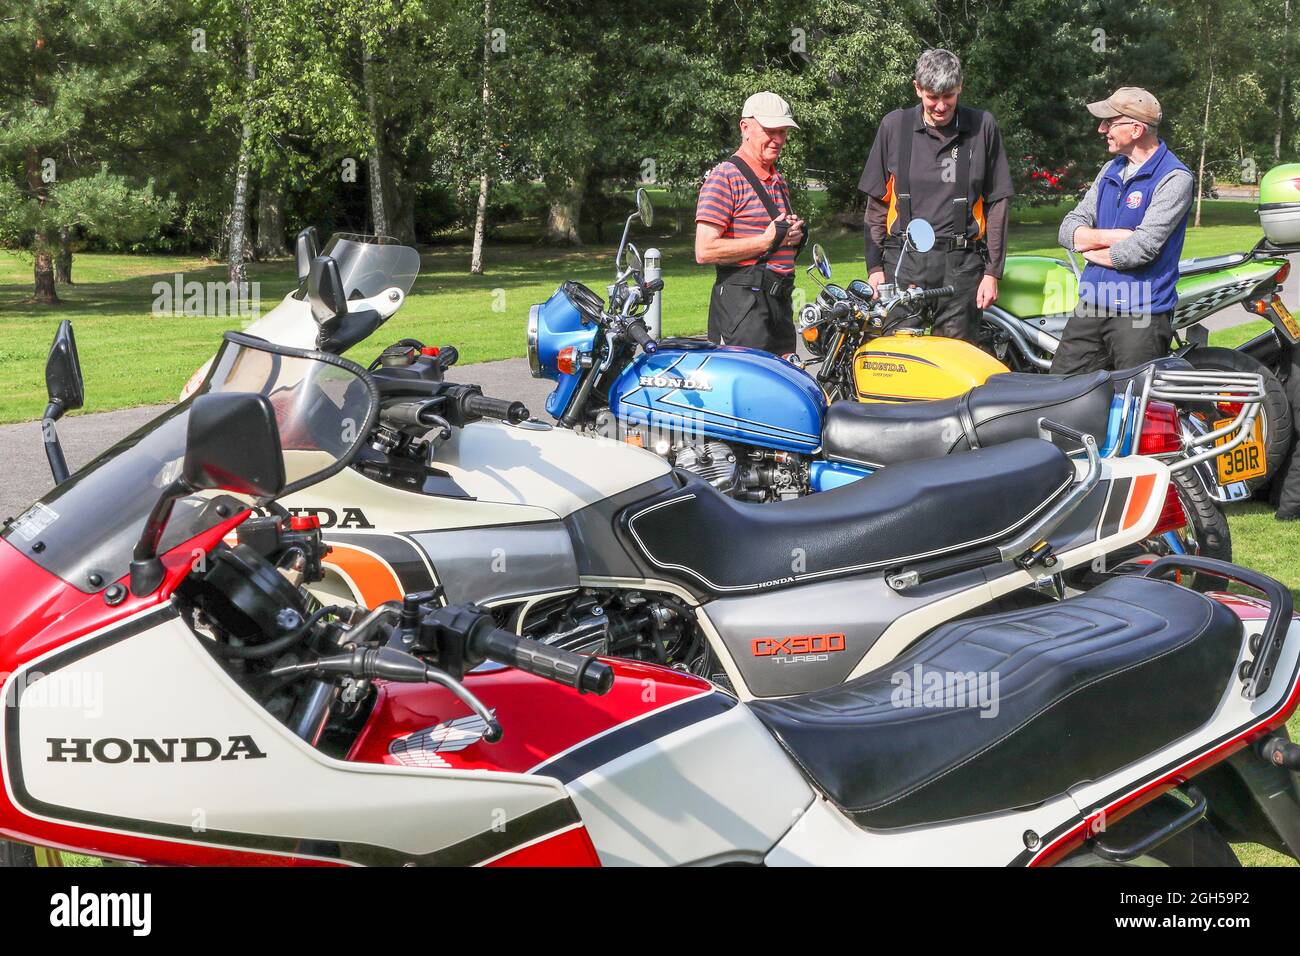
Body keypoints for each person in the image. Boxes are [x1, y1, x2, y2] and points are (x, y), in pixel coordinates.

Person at [859, 48, 1013, 343]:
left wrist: (993, 273)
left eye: (949, 97)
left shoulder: (982, 127)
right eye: (933, 97)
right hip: (904, 261)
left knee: (955, 361)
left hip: (961, 263)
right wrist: (875, 268)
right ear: (918, 88)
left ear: (960, 88)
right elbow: (876, 205)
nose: (941, 106)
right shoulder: (894, 126)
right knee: (900, 356)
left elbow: (998, 203)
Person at [1052, 87, 1193, 373]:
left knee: (1133, 407)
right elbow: (1067, 230)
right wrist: (1109, 238)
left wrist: (1088, 249)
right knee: (1060, 395)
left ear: (1137, 129)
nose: (1101, 128)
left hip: (1141, 314)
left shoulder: (1175, 178)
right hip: (1092, 304)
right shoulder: (1110, 170)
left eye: (1110, 122)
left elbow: (1138, 250)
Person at [695, 91, 806, 354]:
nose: (778, 139)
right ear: (745, 127)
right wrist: (767, 240)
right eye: (771, 130)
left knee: (782, 384)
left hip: (779, 300)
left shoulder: (778, 180)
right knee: (749, 386)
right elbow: (704, 250)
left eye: (783, 131)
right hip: (744, 304)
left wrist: (793, 237)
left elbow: (774, 239)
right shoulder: (725, 177)